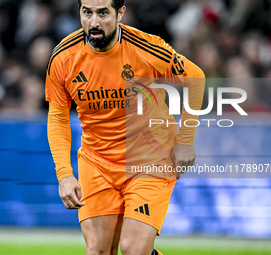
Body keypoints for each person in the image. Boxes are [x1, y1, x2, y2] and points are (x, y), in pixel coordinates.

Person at [46, 0, 205, 254]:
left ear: (120, 12)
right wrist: (64, 174)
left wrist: (186, 140)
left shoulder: (147, 48)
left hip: (150, 158)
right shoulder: (63, 57)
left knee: (132, 249)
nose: (94, 22)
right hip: (97, 161)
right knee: (98, 250)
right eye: (87, 13)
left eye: (103, 13)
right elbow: (57, 116)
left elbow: (195, 78)